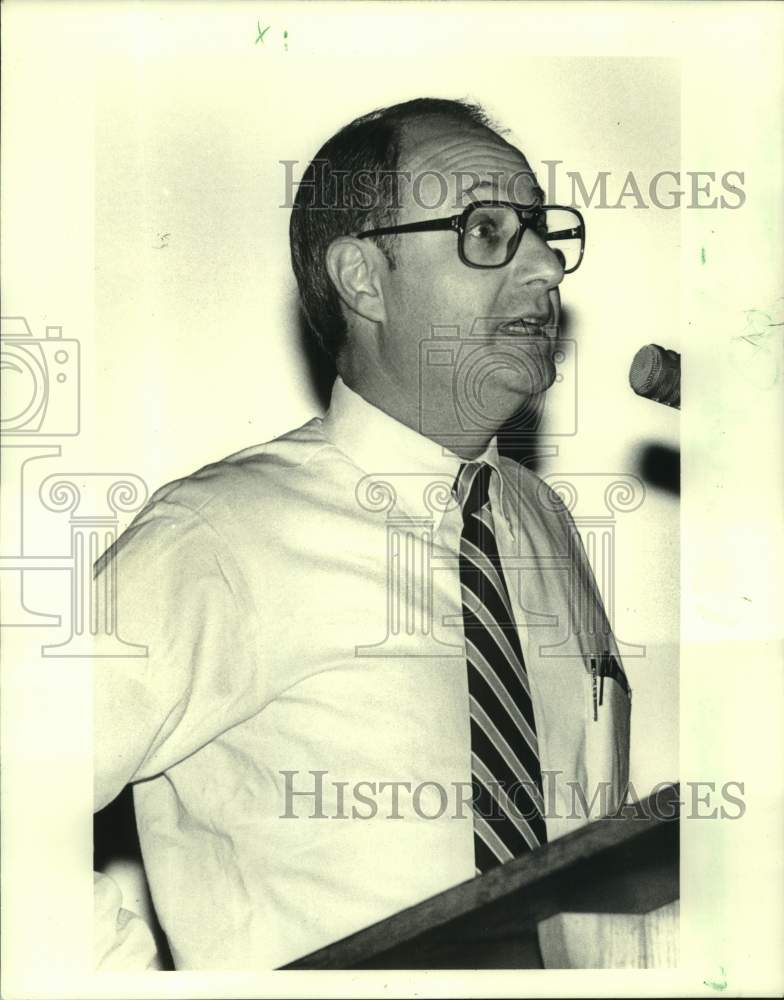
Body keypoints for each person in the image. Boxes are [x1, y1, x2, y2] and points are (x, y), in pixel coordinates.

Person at [94, 97, 630, 970]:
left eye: (540, 230)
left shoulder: (542, 522)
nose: (544, 268)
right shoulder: (215, 541)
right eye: (487, 228)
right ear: (362, 278)